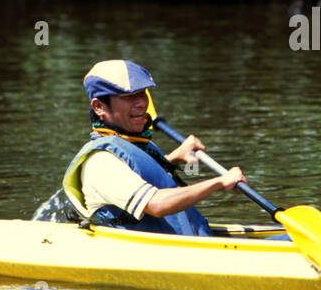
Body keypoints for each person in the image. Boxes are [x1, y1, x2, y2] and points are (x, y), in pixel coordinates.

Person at [47, 59, 245, 235]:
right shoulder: (101, 162)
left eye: (142, 93)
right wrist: (219, 183)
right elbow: (157, 204)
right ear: (99, 107)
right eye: (128, 96)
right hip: (155, 252)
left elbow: (145, 174)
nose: (142, 102)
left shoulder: (140, 145)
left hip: (188, 243)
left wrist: (175, 157)